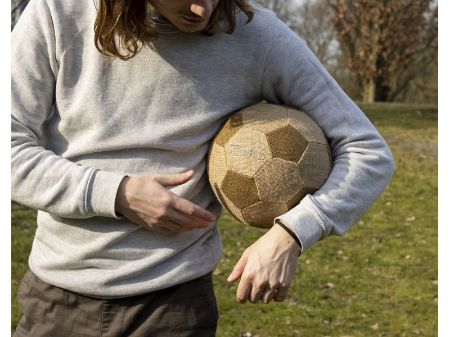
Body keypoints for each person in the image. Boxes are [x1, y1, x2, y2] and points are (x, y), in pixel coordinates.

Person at [11, 0, 395, 336]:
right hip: (55, 301)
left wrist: (292, 234)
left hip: (173, 309)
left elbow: (368, 151)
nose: (203, 9)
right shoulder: (55, 13)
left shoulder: (257, 35)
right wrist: (117, 194)